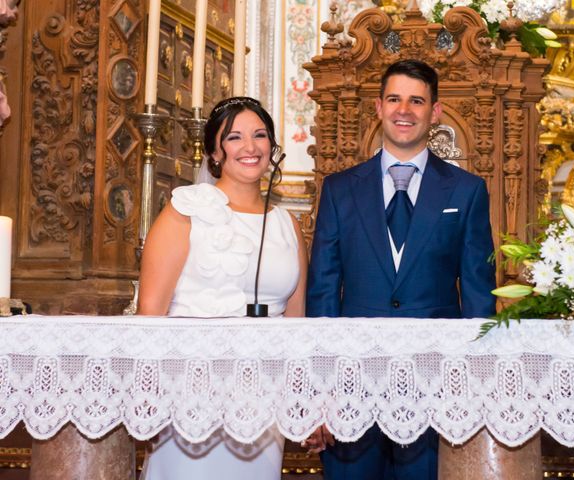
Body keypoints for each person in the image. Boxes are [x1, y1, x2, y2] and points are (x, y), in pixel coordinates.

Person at [305, 59, 496, 479]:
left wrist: (474, 387)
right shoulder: (339, 189)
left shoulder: (467, 190)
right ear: (378, 107)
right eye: (394, 99)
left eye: (416, 101)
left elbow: (480, 298)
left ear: (435, 111)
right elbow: (322, 291)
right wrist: (319, 390)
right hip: (351, 386)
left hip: (434, 385)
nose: (403, 110)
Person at [137, 96, 307, 480]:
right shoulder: (184, 212)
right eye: (235, 137)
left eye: (260, 135)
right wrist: (148, 394)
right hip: (192, 390)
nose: (250, 147)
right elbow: (150, 312)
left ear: (273, 149)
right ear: (215, 151)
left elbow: (298, 324)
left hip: (264, 393)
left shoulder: (286, 225)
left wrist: (299, 398)